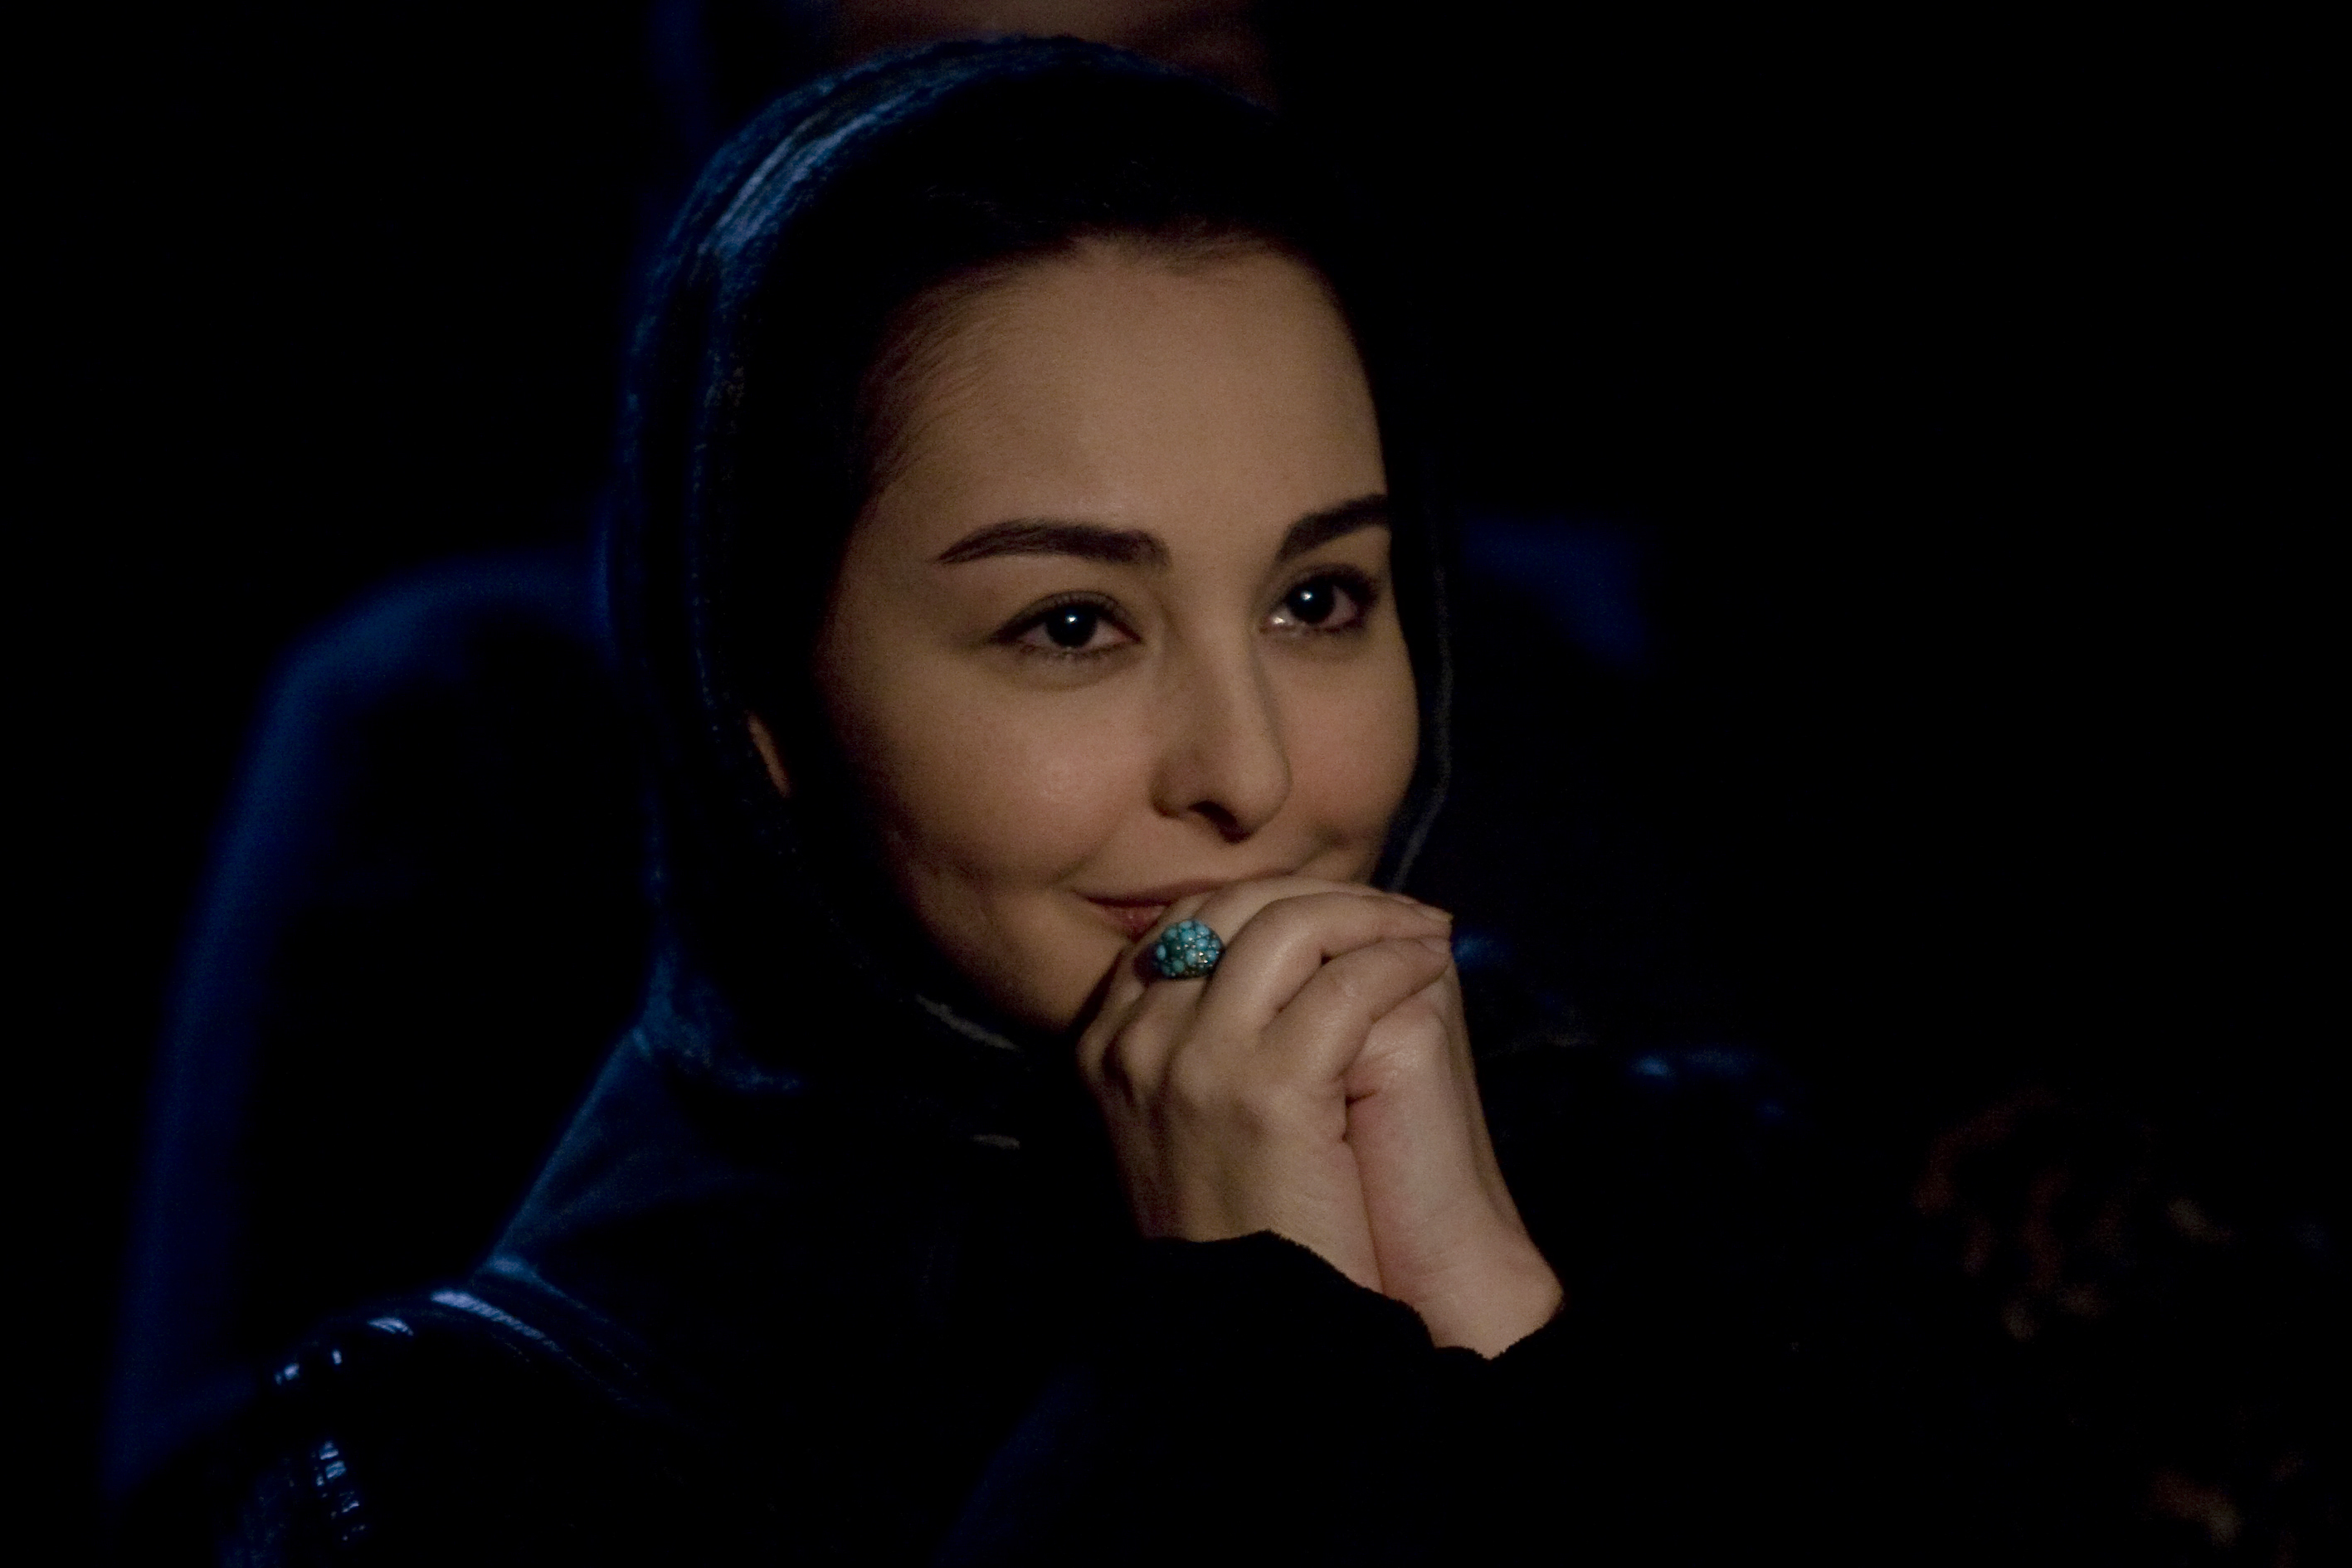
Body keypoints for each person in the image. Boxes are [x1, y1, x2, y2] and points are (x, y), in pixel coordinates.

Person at [213, 38, 1848, 1564]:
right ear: (755, 702)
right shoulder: (479, 1476)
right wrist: (1228, 1361)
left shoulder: (1716, 1199)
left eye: (1316, 601)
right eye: (1070, 626)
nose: (1251, 775)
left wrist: (1491, 1330)